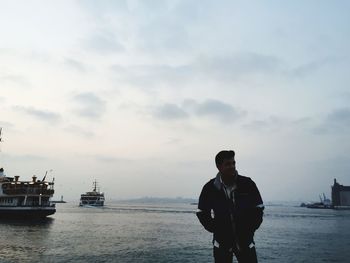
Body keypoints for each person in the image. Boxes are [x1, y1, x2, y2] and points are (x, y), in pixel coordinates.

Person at [197, 150, 264, 263]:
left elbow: (258, 208)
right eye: (228, 164)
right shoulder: (210, 188)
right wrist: (215, 228)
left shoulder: (247, 184)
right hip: (221, 244)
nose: (232, 166)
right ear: (219, 166)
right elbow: (201, 212)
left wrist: (250, 228)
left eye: (233, 163)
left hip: (246, 242)